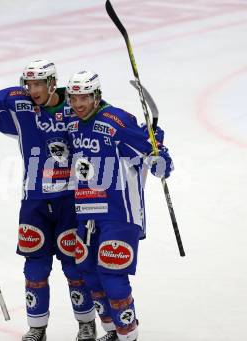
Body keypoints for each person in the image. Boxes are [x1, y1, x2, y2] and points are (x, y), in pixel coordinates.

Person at [0, 52, 97, 341]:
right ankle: (37, 327)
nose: (33, 90)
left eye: (40, 84)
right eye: (29, 83)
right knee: (35, 268)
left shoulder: (76, 104)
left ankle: (86, 323)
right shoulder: (19, 102)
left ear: (53, 83)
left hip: (71, 200)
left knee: (75, 266)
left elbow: (109, 122)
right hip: (34, 200)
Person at [65, 71, 174, 341]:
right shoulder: (73, 124)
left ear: (96, 96)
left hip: (119, 213)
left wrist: (160, 157)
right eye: (74, 97)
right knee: (89, 275)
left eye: (84, 97)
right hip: (87, 213)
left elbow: (150, 151)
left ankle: (128, 336)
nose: (78, 104)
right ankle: (113, 331)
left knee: (112, 276)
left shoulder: (117, 121)